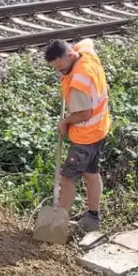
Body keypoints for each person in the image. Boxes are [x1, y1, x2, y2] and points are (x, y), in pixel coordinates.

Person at [44, 38, 112, 233]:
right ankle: (92, 217)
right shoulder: (86, 54)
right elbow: (88, 41)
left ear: (70, 56)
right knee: (91, 174)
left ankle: (57, 226)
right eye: (55, 68)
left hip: (86, 137)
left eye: (60, 67)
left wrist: (65, 122)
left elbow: (85, 113)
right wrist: (66, 67)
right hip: (100, 128)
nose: (59, 72)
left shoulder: (77, 84)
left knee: (67, 178)